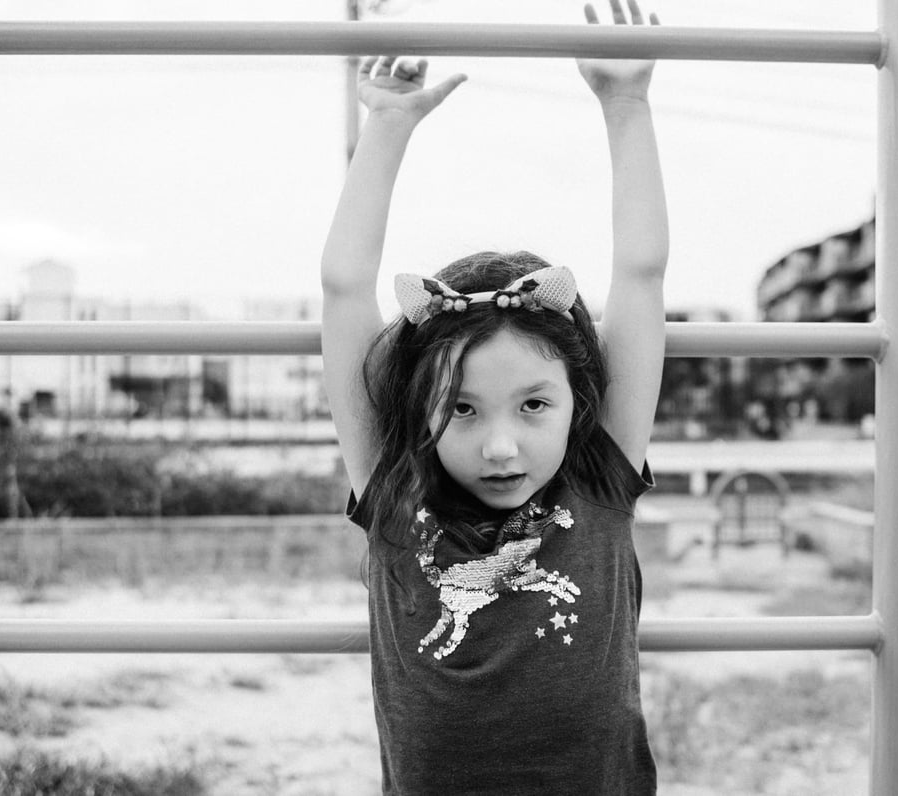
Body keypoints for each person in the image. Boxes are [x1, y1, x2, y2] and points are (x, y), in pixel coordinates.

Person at [320, 1, 668, 792]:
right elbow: (344, 290)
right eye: (462, 409)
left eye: (534, 405)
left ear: (582, 400)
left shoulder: (601, 481)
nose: (501, 444)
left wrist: (626, 104)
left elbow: (642, 276)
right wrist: (387, 126)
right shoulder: (394, 493)